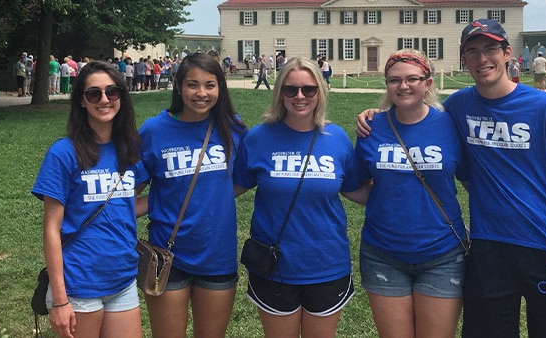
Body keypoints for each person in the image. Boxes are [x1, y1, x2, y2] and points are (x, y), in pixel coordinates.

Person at [357, 18, 546, 337]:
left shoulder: (544, 107)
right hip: (489, 250)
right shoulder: (458, 107)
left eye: (490, 49)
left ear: (508, 53)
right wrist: (373, 115)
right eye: (472, 52)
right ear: (464, 60)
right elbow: (415, 119)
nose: (482, 59)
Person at [234, 57, 359, 338]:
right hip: (274, 266)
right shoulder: (258, 137)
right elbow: (230, 188)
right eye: (290, 90)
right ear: (280, 92)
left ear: (320, 91)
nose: (299, 97)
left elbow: (354, 189)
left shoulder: (336, 138)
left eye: (308, 89)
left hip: (327, 264)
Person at [349, 49, 466, 338]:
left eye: (413, 78)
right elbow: (354, 185)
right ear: (386, 85)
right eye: (394, 80)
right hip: (383, 252)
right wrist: (387, 198)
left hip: (442, 252)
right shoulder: (371, 127)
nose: (403, 86)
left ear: (428, 83)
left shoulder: (452, 124)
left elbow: (477, 179)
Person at [31, 60, 146, 338]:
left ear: (122, 96)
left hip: (123, 279)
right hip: (79, 283)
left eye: (112, 92)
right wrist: (59, 299)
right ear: (81, 101)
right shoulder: (63, 153)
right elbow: (51, 229)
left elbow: (122, 205)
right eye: (93, 94)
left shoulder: (129, 149)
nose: (104, 100)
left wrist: (168, 199)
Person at [136, 52, 247, 338]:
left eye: (210, 85)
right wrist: (158, 201)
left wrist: (214, 197)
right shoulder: (154, 130)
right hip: (167, 254)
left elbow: (244, 180)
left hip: (217, 255)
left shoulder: (232, 128)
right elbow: (128, 193)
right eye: (192, 85)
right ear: (178, 86)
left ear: (220, 88)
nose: (201, 93)